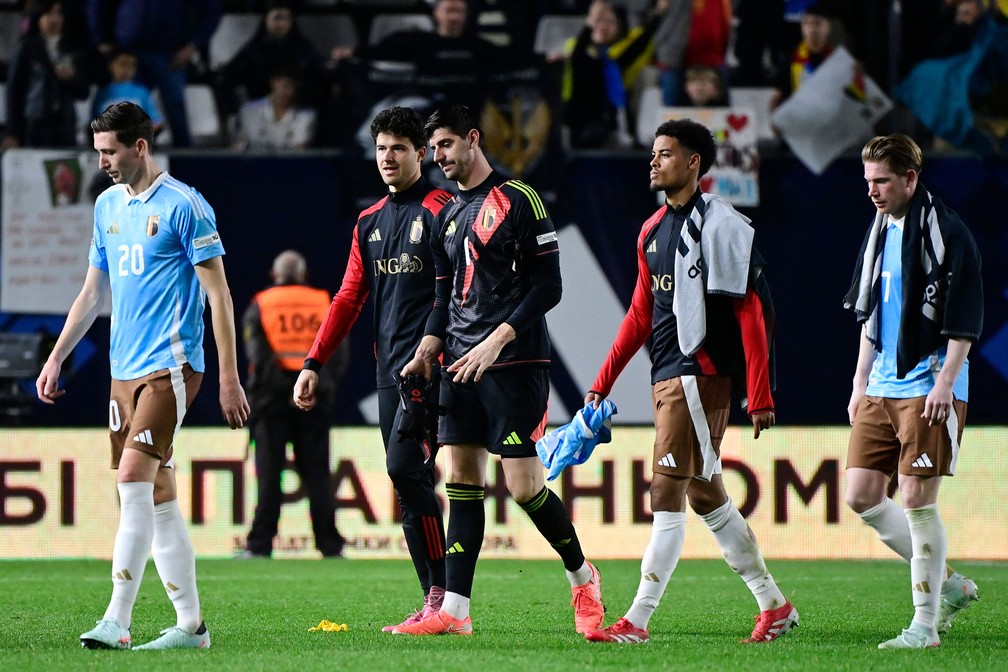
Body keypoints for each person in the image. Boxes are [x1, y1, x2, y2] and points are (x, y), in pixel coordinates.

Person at [35, 101, 249, 650]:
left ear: (140, 147)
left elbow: (218, 294)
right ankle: (190, 627)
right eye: (98, 151)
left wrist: (228, 377)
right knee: (157, 496)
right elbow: (92, 292)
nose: (102, 161)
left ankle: (117, 619)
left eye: (110, 151)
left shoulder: (186, 206)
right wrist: (57, 357)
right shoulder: (107, 206)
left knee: (131, 480)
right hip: (121, 372)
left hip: (172, 366)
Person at [582, 118, 797, 645]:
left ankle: (637, 619)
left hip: (697, 376)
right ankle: (775, 605)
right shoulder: (651, 230)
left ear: (694, 163)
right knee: (707, 498)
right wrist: (602, 382)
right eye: (652, 153)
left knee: (666, 489)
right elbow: (639, 312)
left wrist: (761, 391)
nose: (653, 161)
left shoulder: (723, 224)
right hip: (667, 375)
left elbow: (751, 311)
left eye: (665, 153)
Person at [393, 103, 605, 637]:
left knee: (525, 485)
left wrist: (497, 341)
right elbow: (442, 298)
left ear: (472, 138)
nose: (437, 157)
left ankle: (583, 578)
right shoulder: (444, 216)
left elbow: (549, 286)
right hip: (457, 365)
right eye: (432, 148)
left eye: (444, 145)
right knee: (462, 479)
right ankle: (455, 613)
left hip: (515, 362)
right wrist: (426, 349)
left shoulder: (520, 199)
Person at [293, 106, 452, 631]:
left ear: (420, 154)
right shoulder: (369, 222)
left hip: (436, 367)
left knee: (406, 469)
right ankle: (436, 600)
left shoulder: (441, 209)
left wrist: (434, 350)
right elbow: (347, 298)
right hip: (390, 372)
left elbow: (454, 289)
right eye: (382, 148)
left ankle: (443, 595)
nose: (388, 157)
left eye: (399, 148)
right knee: (409, 481)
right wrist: (313, 360)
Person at [843, 134, 983, 649]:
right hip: (881, 381)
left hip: (929, 384)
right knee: (860, 494)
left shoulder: (948, 231)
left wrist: (947, 382)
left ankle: (924, 626)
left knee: (918, 503)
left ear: (910, 178)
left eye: (882, 180)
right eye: (868, 182)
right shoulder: (880, 229)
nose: (873, 191)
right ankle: (949, 585)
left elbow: (965, 317)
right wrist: (859, 382)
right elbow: (870, 312)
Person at [241, 250, 348, 559]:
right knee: (318, 476)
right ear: (303, 275)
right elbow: (338, 350)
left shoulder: (261, 304)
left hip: (271, 402)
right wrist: (319, 387)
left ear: (275, 275)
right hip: (314, 397)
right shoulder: (322, 302)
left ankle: (260, 546)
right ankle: (330, 546)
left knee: (269, 474)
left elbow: (259, 357)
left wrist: (286, 390)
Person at [87, 0, 223, 147]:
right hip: (128, 52)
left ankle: (184, 159)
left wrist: (192, 46)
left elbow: (212, 12)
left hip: (170, 54)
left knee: (176, 110)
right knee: (126, 108)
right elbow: (97, 5)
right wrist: (101, 38)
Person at [560, 0, 666, 149]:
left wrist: (658, 14)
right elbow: (579, 52)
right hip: (581, 130)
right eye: (599, 21)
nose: (604, 26)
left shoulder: (614, 62)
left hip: (611, 129)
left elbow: (640, 43)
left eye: (610, 22)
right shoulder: (580, 57)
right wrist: (591, 20)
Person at [2, 0, 90, 150]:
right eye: (49, 14)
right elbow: (14, 92)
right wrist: (13, 131)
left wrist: (72, 78)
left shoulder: (70, 49)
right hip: (34, 124)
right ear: (39, 17)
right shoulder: (26, 49)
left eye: (59, 14)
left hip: (64, 125)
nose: (55, 19)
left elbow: (83, 92)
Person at [231, 66, 316, 151]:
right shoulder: (249, 110)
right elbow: (239, 144)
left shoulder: (306, 116)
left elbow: (299, 150)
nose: (289, 92)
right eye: (286, 85)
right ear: (273, 83)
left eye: (294, 87)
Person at [91, 49, 166, 137]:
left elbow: (157, 122)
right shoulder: (103, 93)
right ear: (111, 65)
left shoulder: (142, 92)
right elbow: (94, 122)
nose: (127, 70)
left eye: (131, 66)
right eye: (122, 64)